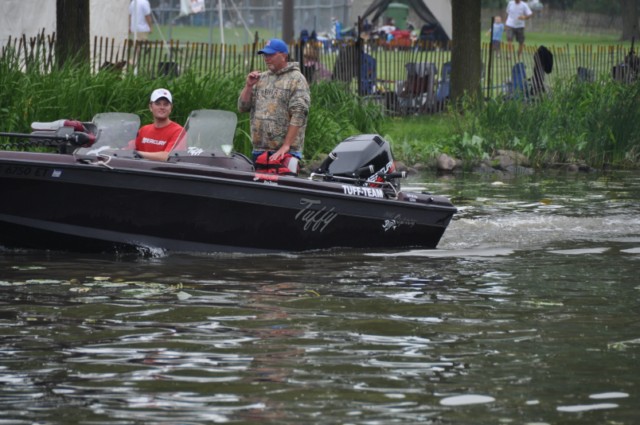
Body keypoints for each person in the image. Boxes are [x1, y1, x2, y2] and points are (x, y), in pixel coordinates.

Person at [238, 38, 311, 169]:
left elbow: (299, 114)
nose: (267, 58)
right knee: (259, 182)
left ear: (284, 55)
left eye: (271, 55)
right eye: (265, 55)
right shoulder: (261, 78)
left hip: (286, 152)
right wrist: (248, 86)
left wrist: (286, 146)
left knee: (283, 182)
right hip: (259, 150)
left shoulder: (296, 79)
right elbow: (242, 107)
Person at [133, 88, 184, 161]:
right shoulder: (143, 130)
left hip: (163, 168)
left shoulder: (178, 131)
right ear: (150, 107)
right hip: (141, 167)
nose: (162, 107)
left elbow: (168, 156)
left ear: (171, 108)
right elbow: (127, 150)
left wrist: (137, 154)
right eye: (158, 104)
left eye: (166, 104)